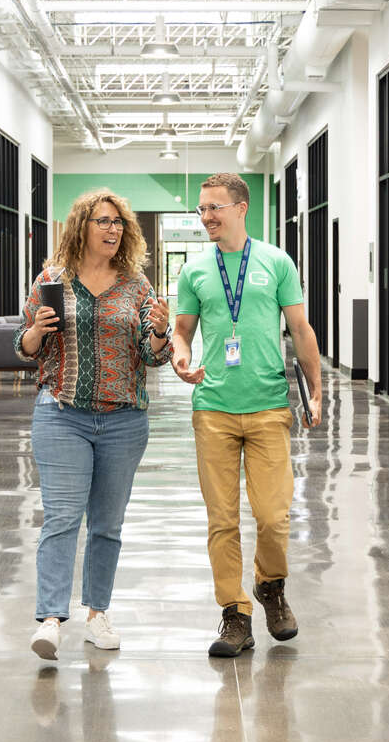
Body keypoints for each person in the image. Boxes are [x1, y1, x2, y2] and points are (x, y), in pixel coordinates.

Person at [171, 172, 323, 657]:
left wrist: (316, 392)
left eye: (214, 207)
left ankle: (270, 587)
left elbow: (300, 329)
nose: (206, 216)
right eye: (202, 209)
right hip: (213, 408)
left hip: (269, 406)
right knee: (222, 520)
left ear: (241, 208)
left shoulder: (276, 261)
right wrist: (179, 355)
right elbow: (182, 330)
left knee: (274, 516)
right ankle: (235, 613)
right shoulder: (195, 270)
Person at [17, 189, 172, 660]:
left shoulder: (137, 287)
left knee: (107, 524)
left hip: (124, 420)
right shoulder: (52, 281)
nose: (112, 229)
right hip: (62, 414)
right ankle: (49, 620)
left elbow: (153, 356)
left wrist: (161, 330)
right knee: (62, 517)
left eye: (118, 222)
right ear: (81, 227)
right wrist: (36, 332)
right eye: (102, 221)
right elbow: (23, 348)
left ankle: (97, 614)